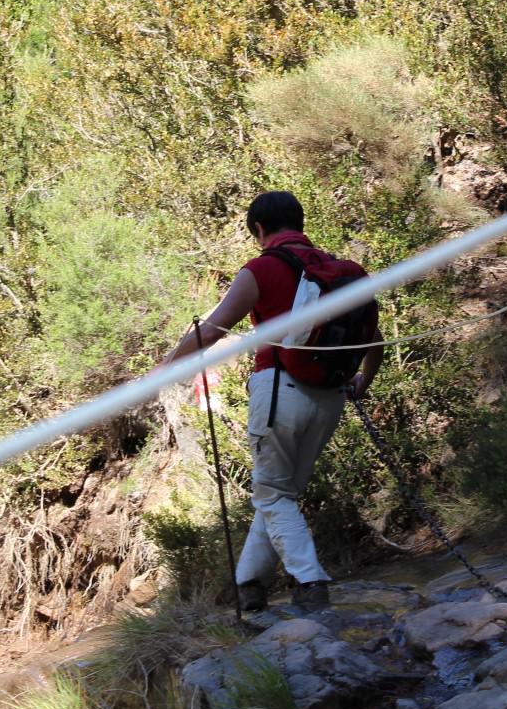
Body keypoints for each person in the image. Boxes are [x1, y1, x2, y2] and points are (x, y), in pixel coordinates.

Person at [160, 191, 382, 612]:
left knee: (272, 494)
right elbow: (374, 339)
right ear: (299, 222)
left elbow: (212, 331)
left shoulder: (261, 269)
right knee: (280, 491)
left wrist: (164, 368)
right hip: (330, 396)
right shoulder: (338, 272)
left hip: (280, 391)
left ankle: (310, 582)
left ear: (259, 230)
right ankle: (249, 586)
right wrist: (362, 382)